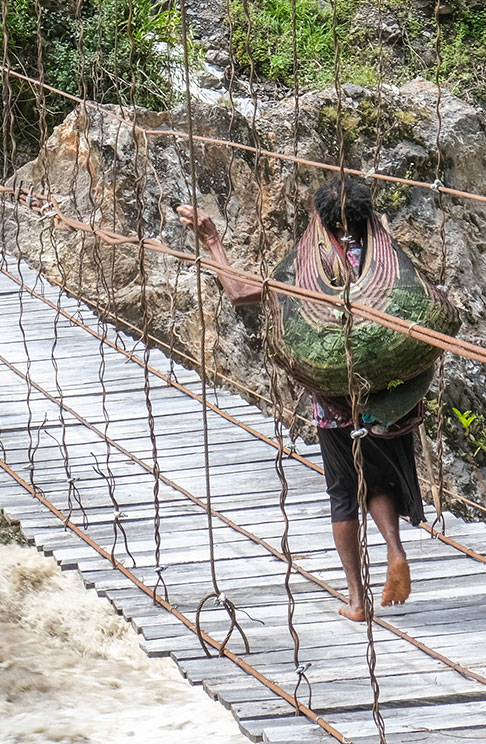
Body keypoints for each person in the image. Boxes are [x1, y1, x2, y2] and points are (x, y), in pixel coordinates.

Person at [178, 177, 426, 623]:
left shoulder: (311, 265)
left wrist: (213, 241)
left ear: (321, 219)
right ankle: (394, 550)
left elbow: (238, 293)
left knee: (343, 495)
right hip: (388, 399)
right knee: (381, 483)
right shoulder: (383, 256)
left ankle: (357, 600)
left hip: (335, 405)